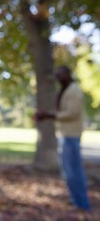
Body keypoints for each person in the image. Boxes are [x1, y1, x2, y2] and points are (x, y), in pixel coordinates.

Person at [35, 65, 91, 211]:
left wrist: (49, 115)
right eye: (57, 75)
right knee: (68, 171)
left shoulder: (74, 91)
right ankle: (76, 200)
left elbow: (72, 113)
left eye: (61, 75)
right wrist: (48, 115)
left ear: (68, 74)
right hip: (66, 134)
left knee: (73, 171)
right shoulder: (65, 90)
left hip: (72, 135)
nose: (58, 78)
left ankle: (82, 203)